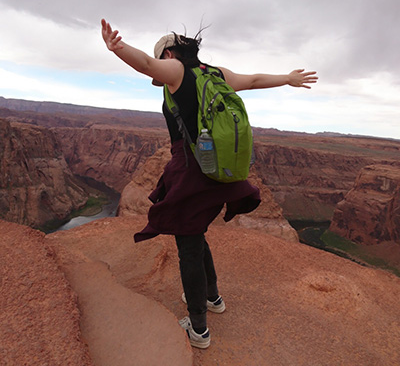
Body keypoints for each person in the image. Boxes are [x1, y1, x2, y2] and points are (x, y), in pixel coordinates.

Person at [101, 19, 318, 349]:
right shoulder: (216, 73)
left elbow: (144, 62)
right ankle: (213, 297)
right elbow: (255, 80)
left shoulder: (175, 72)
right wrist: (287, 79)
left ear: (170, 54)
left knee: (187, 243)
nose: (155, 74)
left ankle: (198, 329)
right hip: (218, 169)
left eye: (161, 63)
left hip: (192, 170)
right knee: (196, 233)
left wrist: (118, 48)